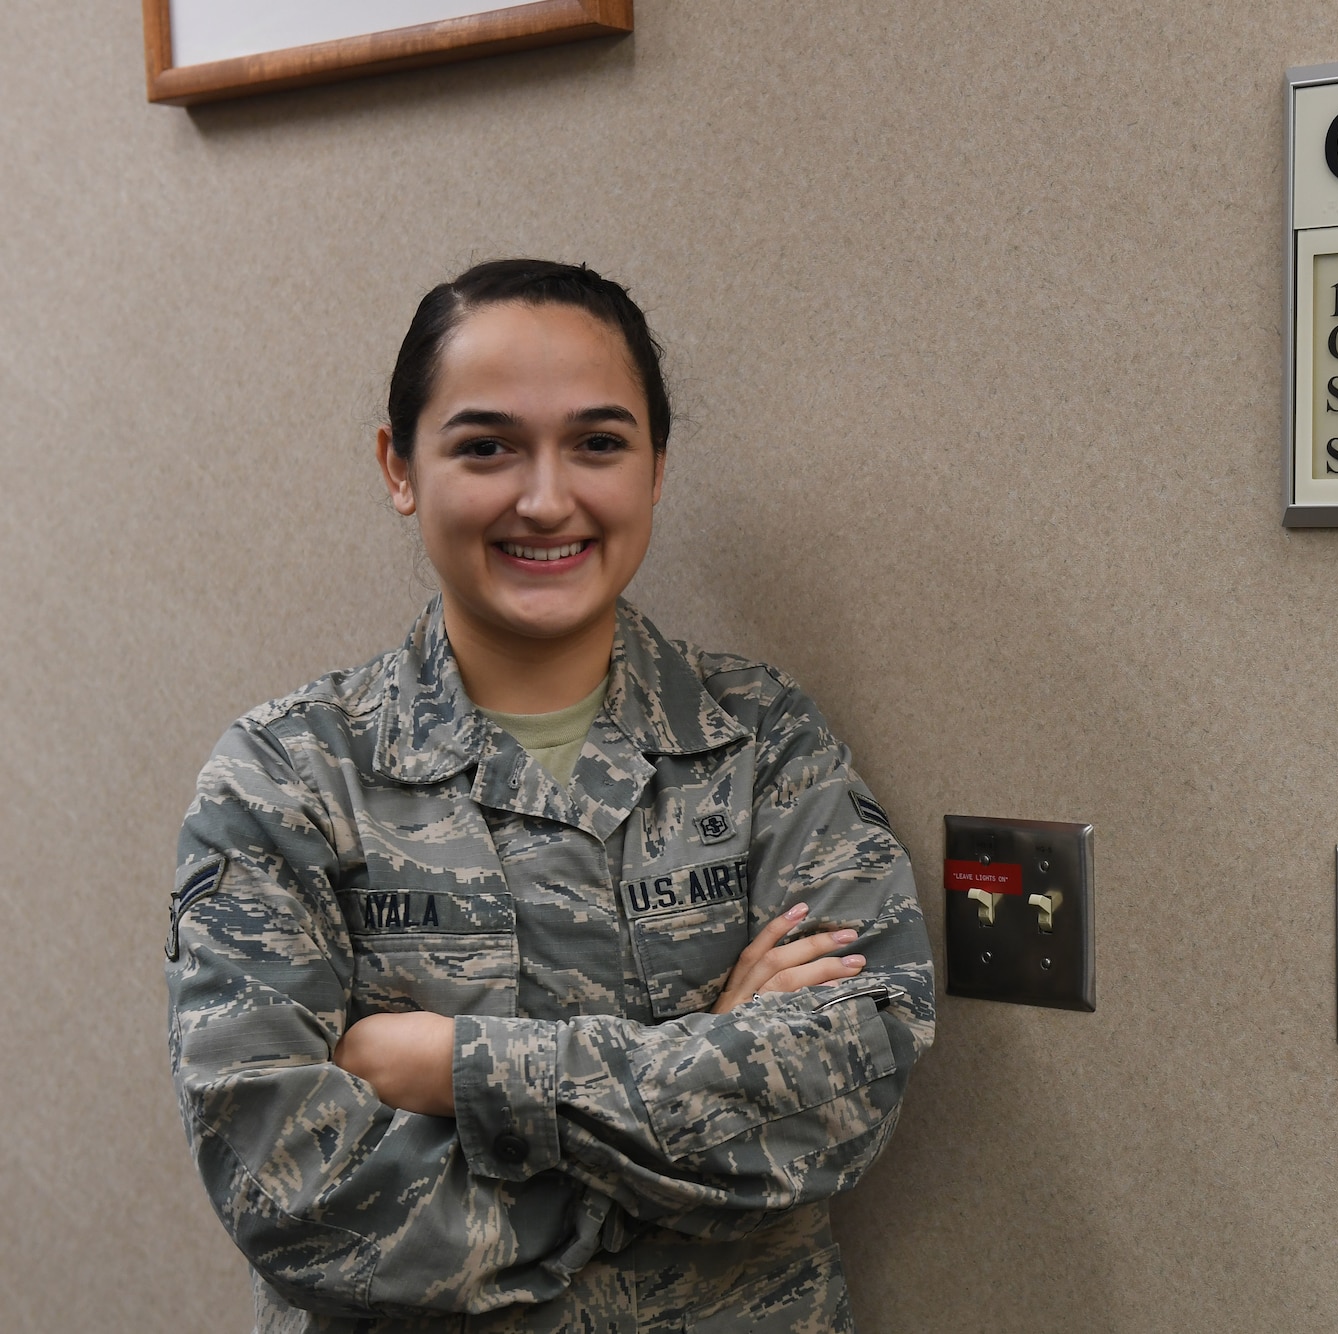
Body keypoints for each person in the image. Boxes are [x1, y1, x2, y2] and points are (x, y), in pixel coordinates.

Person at [164, 259, 935, 1333]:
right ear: (399, 465)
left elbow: (844, 1091)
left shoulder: (763, 741)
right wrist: (693, 1103)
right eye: (485, 446)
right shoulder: (288, 776)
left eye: (598, 443)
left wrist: (453, 1067)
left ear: (657, 467)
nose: (545, 497)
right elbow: (286, 1189)